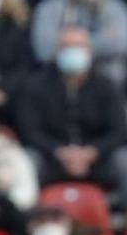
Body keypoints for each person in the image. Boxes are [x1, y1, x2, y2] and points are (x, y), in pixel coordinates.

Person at [17, 26, 127, 199]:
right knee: (29, 161)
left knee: (123, 161)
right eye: (66, 46)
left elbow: (119, 129)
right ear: (57, 51)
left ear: (90, 51)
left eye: (79, 46)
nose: (73, 51)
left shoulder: (106, 85)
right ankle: (26, 220)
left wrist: (92, 152)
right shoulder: (36, 85)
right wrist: (59, 152)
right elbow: (30, 130)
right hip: (52, 158)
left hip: (97, 159)